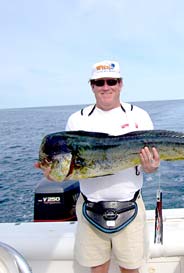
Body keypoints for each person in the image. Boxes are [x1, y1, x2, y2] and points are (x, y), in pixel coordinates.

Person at [36, 60, 160, 273]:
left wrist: (151, 167)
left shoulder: (139, 115)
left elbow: (152, 165)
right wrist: (54, 175)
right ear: (91, 86)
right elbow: (66, 170)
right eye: (99, 82)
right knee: (97, 269)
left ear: (120, 84)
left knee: (131, 269)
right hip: (89, 207)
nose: (105, 87)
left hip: (130, 205)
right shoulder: (77, 120)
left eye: (111, 81)